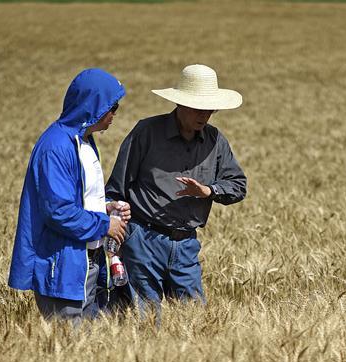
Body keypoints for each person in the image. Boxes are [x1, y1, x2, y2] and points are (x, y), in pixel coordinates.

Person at [105, 64, 247, 317]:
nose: (205, 115)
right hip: (143, 240)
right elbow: (116, 189)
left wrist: (208, 191)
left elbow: (238, 186)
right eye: (198, 109)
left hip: (186, 244)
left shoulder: (216, 141)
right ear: (180, 104)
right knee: (147, 319)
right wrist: (113, 233)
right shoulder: (146, 133)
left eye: (210, 109)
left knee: (195, 319)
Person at [8, 68, 131, 321]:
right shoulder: (56, 146)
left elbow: (77, 199)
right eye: (113, 106)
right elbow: (59, 211)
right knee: (65, 348)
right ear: (94, 106)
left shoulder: (83, 140)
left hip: (86, 263)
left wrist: (104, 208)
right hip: (62, 267)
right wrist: (105, 224)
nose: (115, 114)